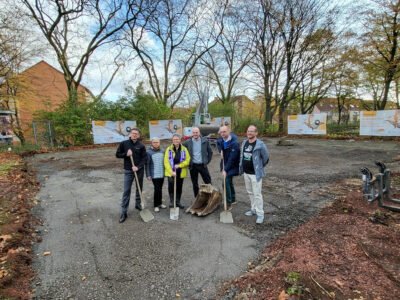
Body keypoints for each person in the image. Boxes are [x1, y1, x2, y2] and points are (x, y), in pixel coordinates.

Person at [115, 128, 147, 223]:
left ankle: (138, 204)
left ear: (138, 135)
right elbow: (117, 154)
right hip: (128, 170)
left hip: (139, 170)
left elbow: (144, 158)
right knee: (126, 191)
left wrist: (138, 167)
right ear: (130, 134)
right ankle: (123, 212)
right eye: (133, 133)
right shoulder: (124, 143)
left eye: (136, 134)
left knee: (139, 188)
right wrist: (126, 154)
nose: (134, 135)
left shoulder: (141, 145)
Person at [239, 125, 269, 224]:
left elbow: (266, 158)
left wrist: (259, 167)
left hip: (255, 174)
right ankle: (253, 209)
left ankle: (260, 214)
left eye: (252, 131)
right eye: (248, 131)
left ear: (256, 133)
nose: (249, 133)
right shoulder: (244, 143)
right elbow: (242, 156)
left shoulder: (260, 144)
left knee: (257, 194)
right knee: (250, 192)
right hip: (246, 173)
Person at [183, 127, 213, 198]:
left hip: (203, 165)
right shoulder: (188, 142)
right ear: (192, 133)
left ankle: (210, 197)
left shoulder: (205, 141)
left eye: (197, 132)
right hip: (193, 166)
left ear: (199, 133)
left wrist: (207, 161)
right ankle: (197, 198)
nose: (195, 134)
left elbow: (210, 152)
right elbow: (180, 148)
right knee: (195, 183)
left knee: (208, 181)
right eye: (194, 133)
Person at [164, 134, 190, 209]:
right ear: (172, 140)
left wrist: (179, 165)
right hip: (171, 172)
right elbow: (166, 162)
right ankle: (172, 201)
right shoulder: (168, 149)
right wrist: (171, 172)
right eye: (174, 139)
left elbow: (188, 160)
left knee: (179, 187)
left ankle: (178, 201)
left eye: (177, 139)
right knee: (171, 187)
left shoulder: (184, 149)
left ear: (180, 140)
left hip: (180, 172)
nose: (176, 141)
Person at [217, 125, 240, 210]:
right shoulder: (220, 140)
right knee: (229, 181)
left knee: (225, 182)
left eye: (224, 132)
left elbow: (232, 158)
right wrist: (221, 151)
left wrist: (225, 170)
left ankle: (228, 203)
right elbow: (219, 144)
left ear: (229, 131)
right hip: (224, 163)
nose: (222, 133)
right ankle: (233, 199)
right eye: (221, 132)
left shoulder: (234, 143)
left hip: (232, 165)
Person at [146, 137, 167, 212]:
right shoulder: (148, 152)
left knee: (160, 189)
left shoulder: (162, 151)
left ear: (159, 143)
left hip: (162, 173)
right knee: (157, 189)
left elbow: (165, 162)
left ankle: (160, 203)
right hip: (154, 174)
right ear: (151, 143)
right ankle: (156, 205)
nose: (156, 143)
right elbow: (147, 164)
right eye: (154, 142)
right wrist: (148, 175)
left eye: (157, 142)